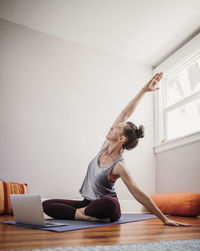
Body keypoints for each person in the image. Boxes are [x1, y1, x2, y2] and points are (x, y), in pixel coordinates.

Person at [43, 72, 191, 227]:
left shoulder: (119, 166)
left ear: (122, 139)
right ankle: (85, 216)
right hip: (88, 204)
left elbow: (139, 194)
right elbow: (125, 114)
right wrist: (144, 90)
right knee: (46, 205)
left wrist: (164, 219)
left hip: (106, 207)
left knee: (108, 202)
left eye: (116, 128)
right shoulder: (105, 146)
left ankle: (83, 214)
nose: (112, 127)